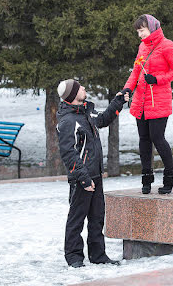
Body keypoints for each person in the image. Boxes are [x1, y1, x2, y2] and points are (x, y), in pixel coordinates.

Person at [56, 79, 129, 268]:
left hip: (95, 174)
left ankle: (98, 255)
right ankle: (74, 257)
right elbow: (68, 153)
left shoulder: (86, 112)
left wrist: (118, 101)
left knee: (97, 217)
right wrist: (83, 178)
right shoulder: (68, 121)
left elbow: (103, 119)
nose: (84, 88)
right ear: (73, 96)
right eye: (79, 88)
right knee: (77, 218)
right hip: (82, 178)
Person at [122, 14, 173, 195]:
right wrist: (127, 89)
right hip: (141, 101)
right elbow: (136, 71)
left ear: (151, 27)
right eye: (138, 31)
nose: (139, 34)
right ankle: (147, 178)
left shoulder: (167, 45)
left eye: (142, 30)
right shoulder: (143, 46)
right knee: (144, 140)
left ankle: (170, 176)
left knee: (158, 138)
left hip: (158, 100)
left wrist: (157, 79)